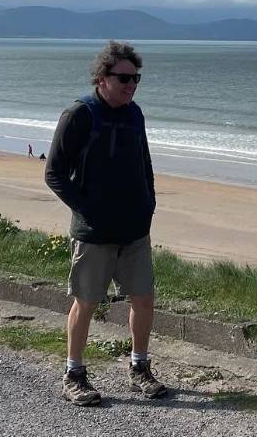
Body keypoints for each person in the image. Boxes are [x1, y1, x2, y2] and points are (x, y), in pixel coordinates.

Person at [44, 40, 163, 407]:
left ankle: (139, 368)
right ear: (102, 77)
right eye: (124, 78)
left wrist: (149, 204)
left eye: (136, 79)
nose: (131, 85)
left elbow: (144, 163)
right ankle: (74, 374)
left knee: (143, 299)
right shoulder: (80, 114)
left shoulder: (134, 114)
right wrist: (88, 211)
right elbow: (55, 174)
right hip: (95, 233)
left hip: (134, 230)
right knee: (87, 302)